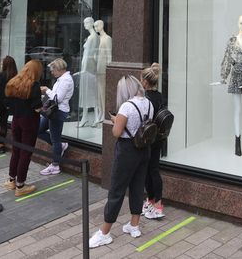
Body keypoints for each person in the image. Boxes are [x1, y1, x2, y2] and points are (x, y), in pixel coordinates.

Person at [89, 76, 154, 248]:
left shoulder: (126, 106)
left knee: (116, 190)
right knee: (137, 187)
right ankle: (134, 226)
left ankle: (104, 233)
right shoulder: (148, 103)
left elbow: (117, 133)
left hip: (127, 151)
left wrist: (115, 121)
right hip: (144, 149)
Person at [4, 59, 44, 196]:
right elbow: (37, 107)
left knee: (16, 150)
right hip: (30, 121)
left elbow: (7, 102)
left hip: (16, 120)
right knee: (25, 152)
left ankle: (11, 180)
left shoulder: (14, 82)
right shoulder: (34, 86)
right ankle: (21, 186)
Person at [37, 58, 74, 175]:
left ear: (59, 69)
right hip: (53, 111)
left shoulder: (66, 80)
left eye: (53, 70)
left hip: (58, 112)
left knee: (55, 139)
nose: (51, 73)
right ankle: (59, 147)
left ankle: (55, 165)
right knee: (38, 130)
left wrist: (47, 90)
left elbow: (57, 98)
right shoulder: (61, 79)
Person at [141, 63, 166, 220]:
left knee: (148, 171)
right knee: (153, 169)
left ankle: (156, 204)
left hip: (148, 139)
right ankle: (153, 202)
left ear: (145, 82)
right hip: (158, 138)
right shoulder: (159, 96)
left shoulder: (146, 98)